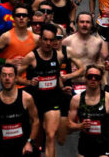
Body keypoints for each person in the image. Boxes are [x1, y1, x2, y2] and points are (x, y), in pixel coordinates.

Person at [18, 22, 78, 157]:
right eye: (45, 39)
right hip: (35, 101)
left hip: (53, 99)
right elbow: (16, 77)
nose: (48, 43)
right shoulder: (31, 57)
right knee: (37, 141)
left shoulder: (58, 56)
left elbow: (57, 76)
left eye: (51, 40)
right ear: (40, 39)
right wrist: (28, 82)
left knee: (51, 136)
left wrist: (62, 88)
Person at [0, 62, 40, 156]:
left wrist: (29, 142)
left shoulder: (26, 98)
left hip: (24, 147)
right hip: (3, 148)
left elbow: (36, 121)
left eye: (10, 75)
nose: (7, 78)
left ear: (15, 78)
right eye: (4, 75)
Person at [67, 65, 109, 156]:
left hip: (104, 145)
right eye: (90, 76)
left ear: (100, 80)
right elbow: (69, 124)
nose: (93, 79)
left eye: (97, 77)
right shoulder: (76, 99)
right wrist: (80, 126)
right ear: (85, 78)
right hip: (84, 145)